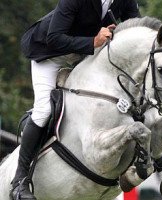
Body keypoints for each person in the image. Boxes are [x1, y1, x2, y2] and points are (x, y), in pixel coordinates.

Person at [10, 0, 140, 199]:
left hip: (83, 54)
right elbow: (54, 38)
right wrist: (93, 41)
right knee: (44, 111)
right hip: (50, 53)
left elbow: (136, 31)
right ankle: (19, 180)